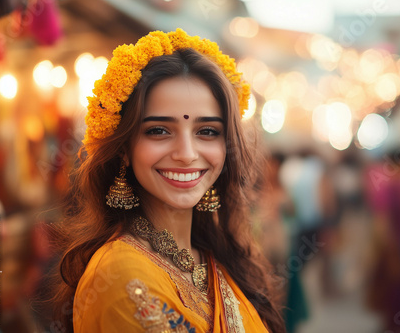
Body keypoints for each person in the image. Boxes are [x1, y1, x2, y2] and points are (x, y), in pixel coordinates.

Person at [50, 29, 284, 332]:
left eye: (207, 131)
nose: (187, 154)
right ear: (124, 149)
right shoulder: (122, 274)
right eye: (159, 130)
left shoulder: (215, 258)